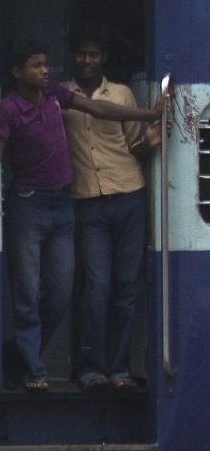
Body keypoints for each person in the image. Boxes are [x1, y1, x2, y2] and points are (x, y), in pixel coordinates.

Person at [0, 42, 163, 391]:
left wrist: (149, 114)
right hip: (29, 205)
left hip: (63, 204)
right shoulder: (9, 109)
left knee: (60, 294)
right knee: (28, 294)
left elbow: (99, 109)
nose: (45, 71)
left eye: (45, 64)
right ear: (17, 72)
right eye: (36, 65)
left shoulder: (54, 94)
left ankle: (19, 357)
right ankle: (33, 370)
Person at [63, 28, 160, 391]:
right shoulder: (62, 95)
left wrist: (151, 143)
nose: (87, 61)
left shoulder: (122, 93)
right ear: (72, 57)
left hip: (129, 194)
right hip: (86, 200)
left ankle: (119, 369)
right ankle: (90, 368)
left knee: (126, 287)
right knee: (96, 287)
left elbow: (134, 146)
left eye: (93, 54)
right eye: (81, 54)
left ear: (103, 58)